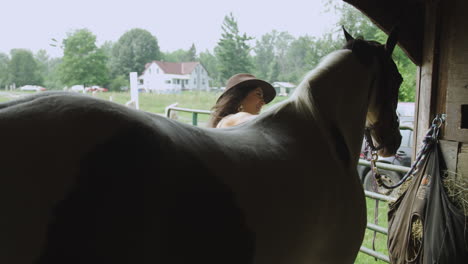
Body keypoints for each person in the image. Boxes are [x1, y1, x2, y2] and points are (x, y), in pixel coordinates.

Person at [208, 73, 276, 128]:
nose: (263, 102)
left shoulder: (228, 122)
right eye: (258, 94)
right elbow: (244, 117)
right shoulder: (232, 119)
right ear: (240, 97)